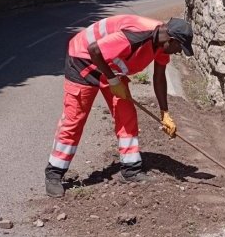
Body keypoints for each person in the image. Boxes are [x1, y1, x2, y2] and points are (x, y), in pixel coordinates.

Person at [44, 14, 194, 197]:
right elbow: (94, 50)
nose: (179, 52)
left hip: (110, 65)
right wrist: (113, 81)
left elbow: (159, 77)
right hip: (83, 60)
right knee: (75, 118)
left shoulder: (163, 44)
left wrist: (164, 112)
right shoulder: (137, 34)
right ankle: (54, 173)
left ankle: (131, 169)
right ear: (171, 40)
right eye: (179, 47)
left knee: (126, 113)